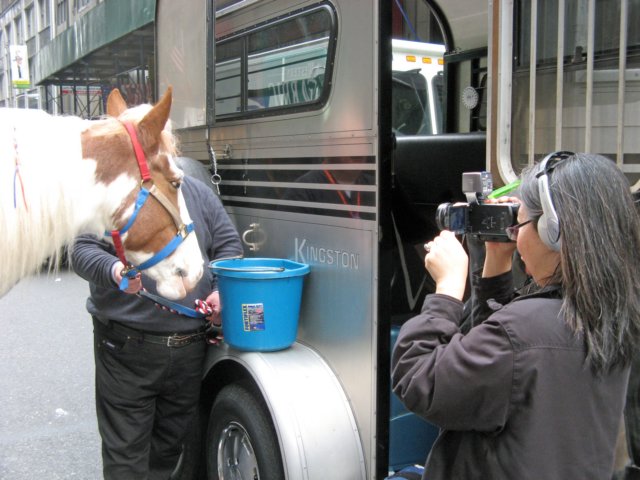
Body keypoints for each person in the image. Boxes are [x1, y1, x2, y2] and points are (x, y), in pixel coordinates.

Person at [391, 152, 640, 480]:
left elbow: (417, 378)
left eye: (519, 223)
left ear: (553, 231)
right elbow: (499, 368)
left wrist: (448, 288)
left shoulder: (523, 331)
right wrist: (496, 262)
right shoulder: (613, 314)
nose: (514, 235)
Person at [72, 174, 243, 480]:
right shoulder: (111, 191)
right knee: (126, 454)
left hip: (190, 347)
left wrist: (220, 290)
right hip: (125, 347)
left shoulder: (196, 191)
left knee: (168, 448)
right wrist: (114, 270)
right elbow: (82, 250)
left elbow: (228, 245)